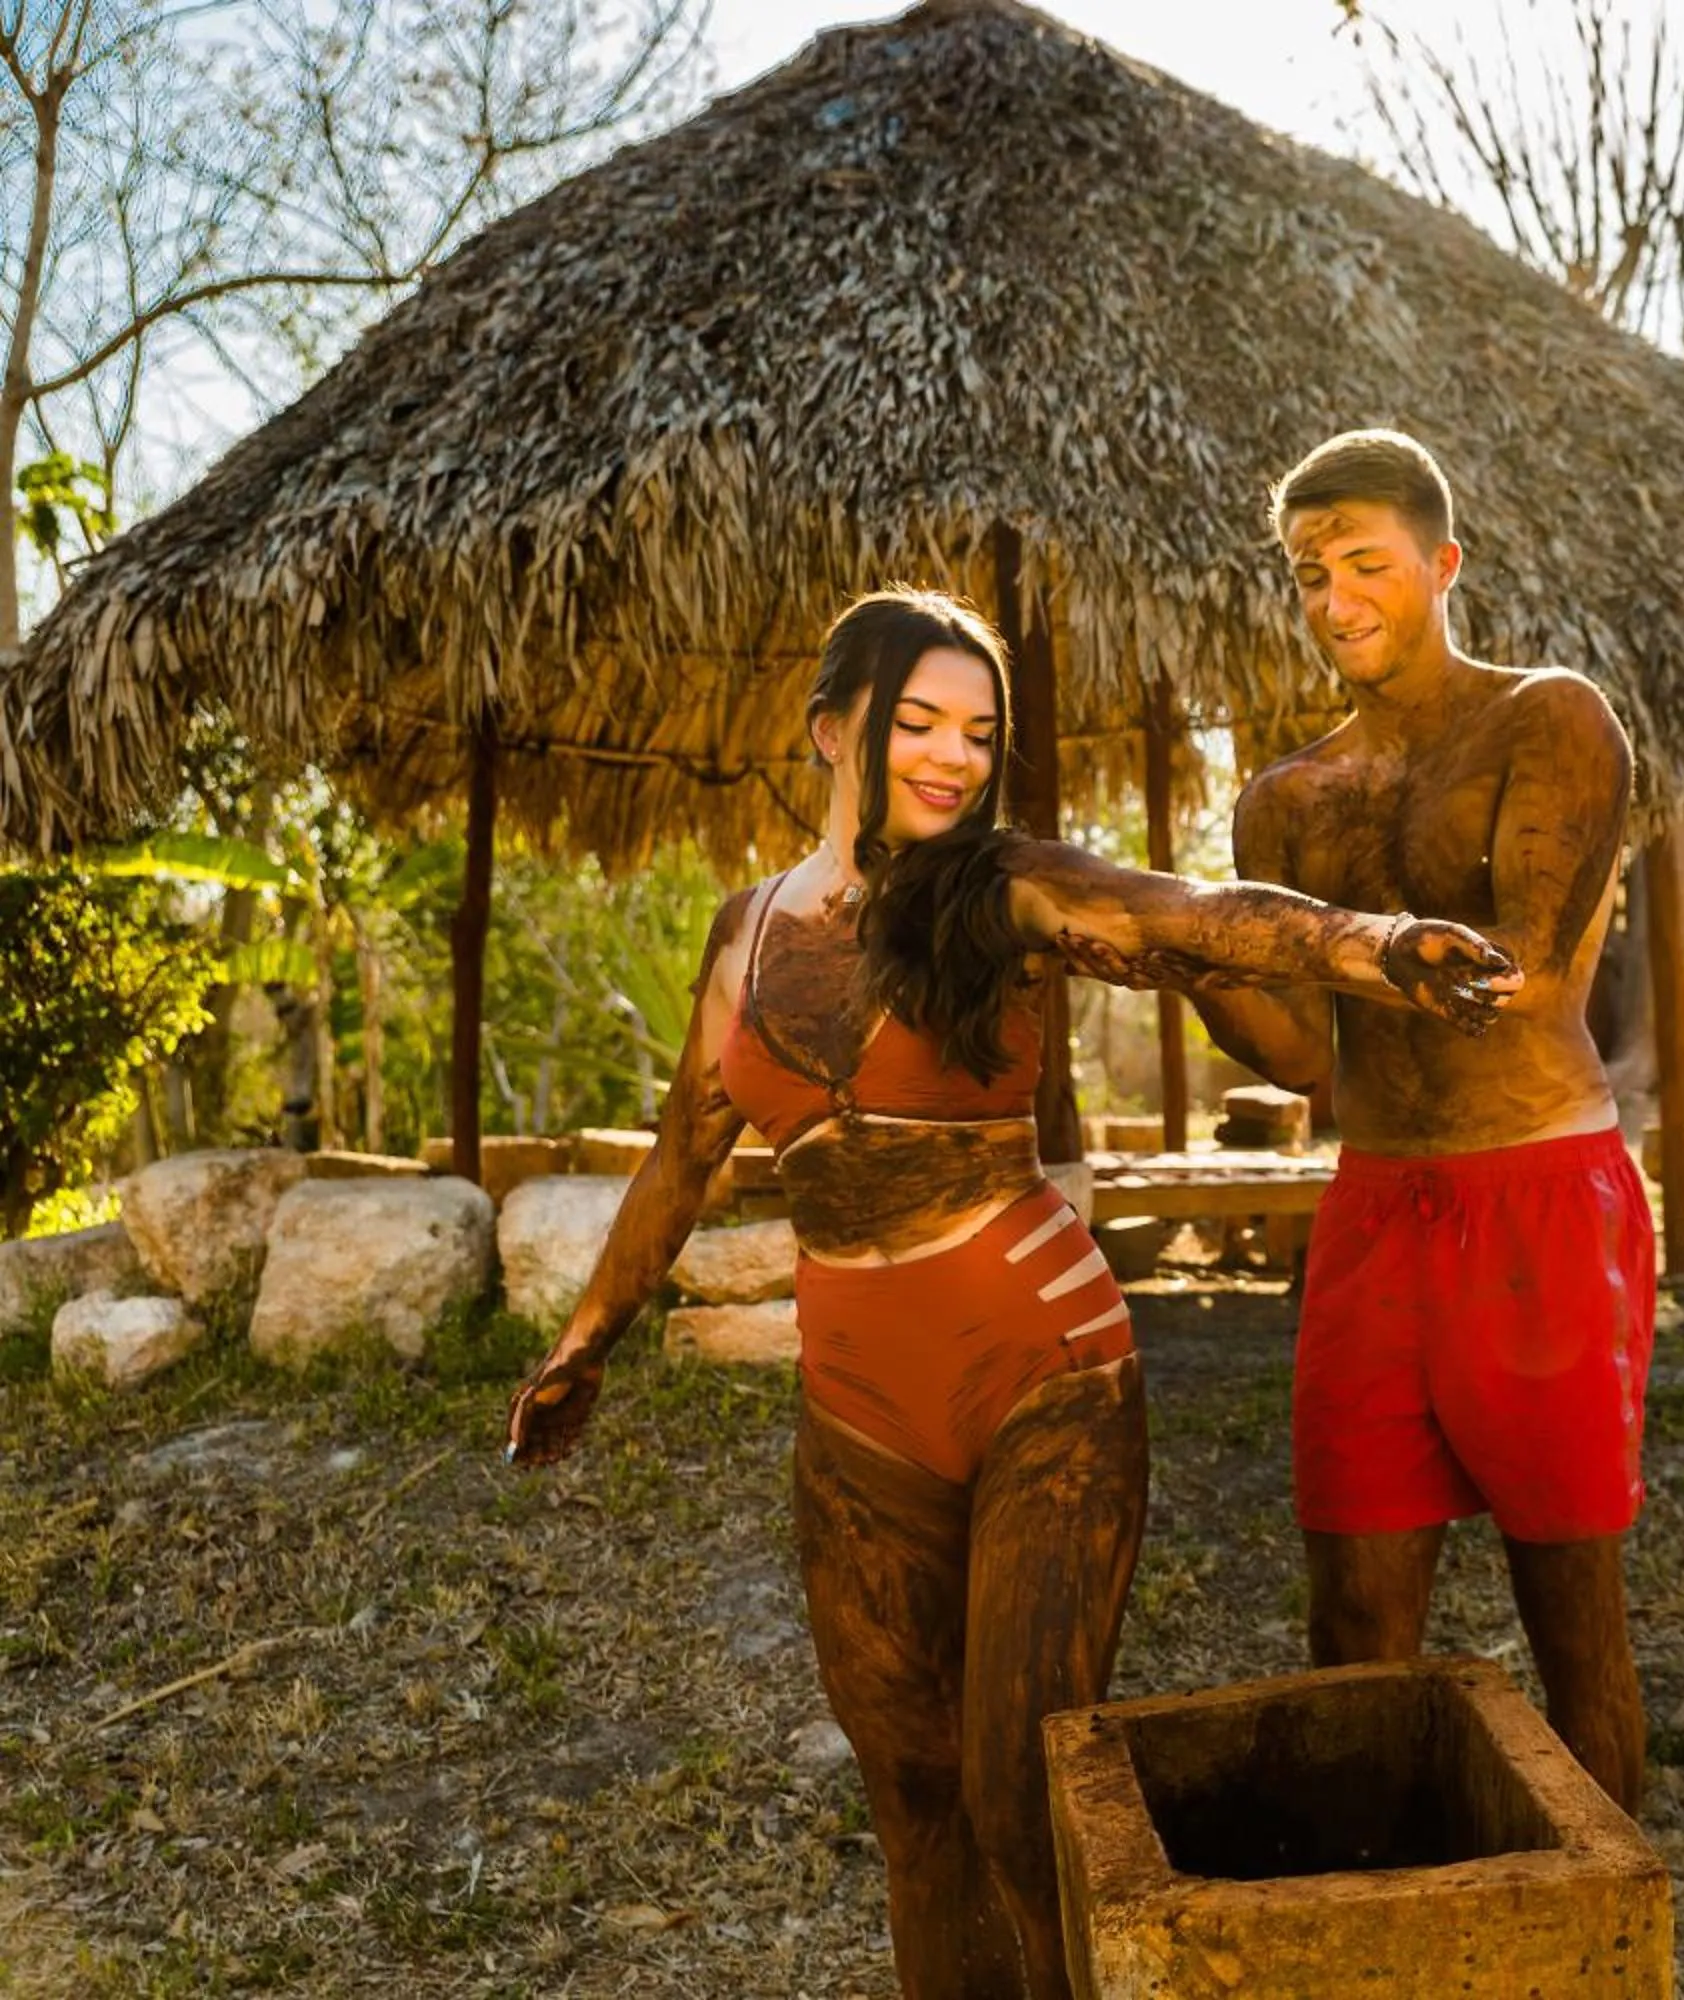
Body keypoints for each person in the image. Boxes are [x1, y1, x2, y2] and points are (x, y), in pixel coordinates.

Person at [501, 585, 1514, 2000]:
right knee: (913, 1800)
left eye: (979, 734)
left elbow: (1202, 918)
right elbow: (686, 1150)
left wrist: (1374, 944)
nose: (951, 757)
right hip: (857, 1409)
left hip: (1047, 1377)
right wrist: (584, 1341)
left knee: (1020, 1792)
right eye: (917, 722)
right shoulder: (744, 934)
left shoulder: (1008, 887)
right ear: (829, 731)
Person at [1185, 429, 1657, 1813]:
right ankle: (1383, 1930)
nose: (1336, 600)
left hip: (1541, 1200)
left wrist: (1357, 943)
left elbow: (1524, 971)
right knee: (1352, 1625)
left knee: (1576, 1628)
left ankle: (1602, 1946)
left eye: (1367, 565)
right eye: (1308, 573)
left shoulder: (1550, 718)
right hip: (1377, 1209)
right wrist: (1202, 965)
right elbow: (1301, 1059)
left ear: (1442, 564)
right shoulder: (1279, 804)